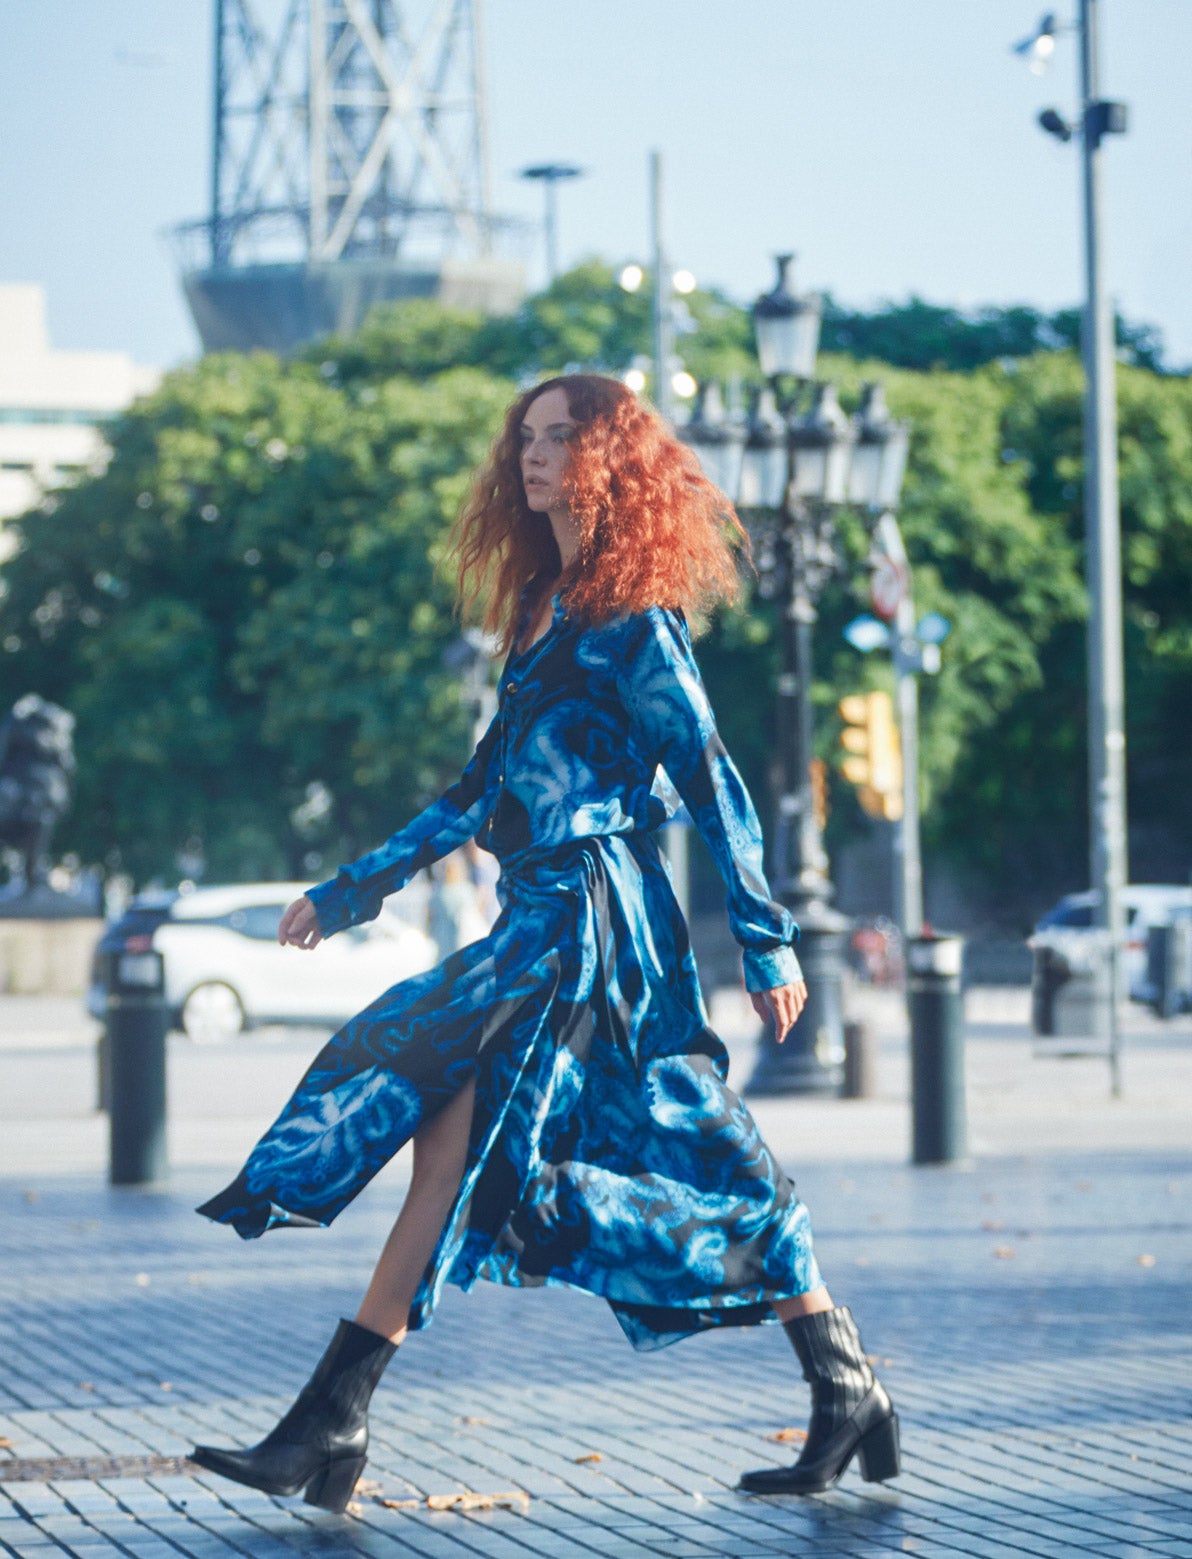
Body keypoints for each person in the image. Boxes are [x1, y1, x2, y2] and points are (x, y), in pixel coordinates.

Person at [190, 374, 899, 1511]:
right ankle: (840, 1376)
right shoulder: (541, 607)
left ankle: (329, 1423)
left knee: (605, 1137)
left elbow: (713, 782)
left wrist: (768, 941)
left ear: (611, 458)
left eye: (560, 436)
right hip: (532, 911)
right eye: (526, 437)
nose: (533, 454)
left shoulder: (636, 622)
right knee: (467, 1137)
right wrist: (350, 886)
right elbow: (478, 787)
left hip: (596, 924)